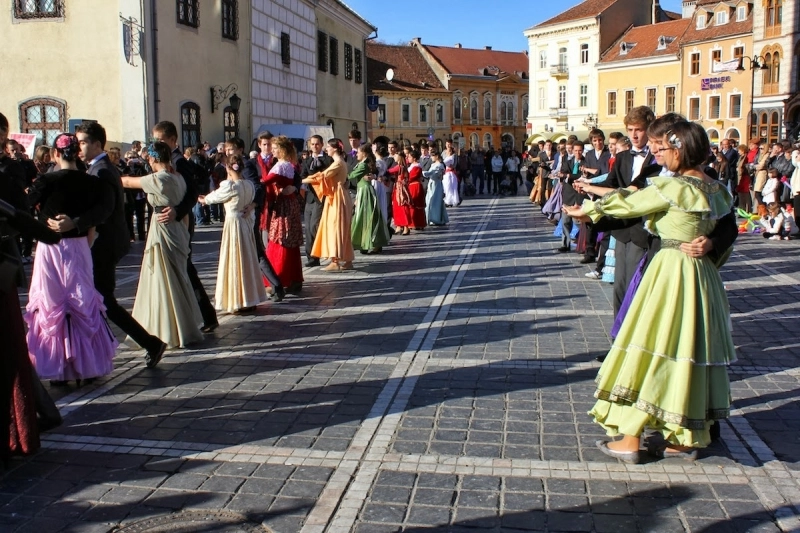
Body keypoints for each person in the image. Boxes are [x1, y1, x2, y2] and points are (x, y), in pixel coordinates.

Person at [564, 120, 735, 462]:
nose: (659, 155)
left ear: (679, 149)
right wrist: (709, 243)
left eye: (663, 149)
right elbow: (724, 226)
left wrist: (587, 211)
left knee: (647, 344)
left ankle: (630, 438)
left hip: (670, 271)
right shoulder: (717, 191)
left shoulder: (673, 188)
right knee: (687, 349)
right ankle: (683, 436)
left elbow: (629, 204)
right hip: (701, 278)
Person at [47, 122, 167, 367]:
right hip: (105, 242)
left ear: (97, 144)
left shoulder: (101, 170)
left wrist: (75, 223)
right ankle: (106, 350)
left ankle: (146, 344)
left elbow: (104, 209)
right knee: (99, 300)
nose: (78, 147)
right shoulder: (96, 168)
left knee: (103, 300)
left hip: (105, 244)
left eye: (82, 142)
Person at [25, 133, 118, 385]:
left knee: (53, 304)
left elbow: (23, 207)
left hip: (50, 248)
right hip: (79, 247)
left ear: (55, 154)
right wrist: (77, 223)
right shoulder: (92, 183)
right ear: (77, 152)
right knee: (81, 301)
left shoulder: (45, 181)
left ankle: (58, 365)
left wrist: (41, 223)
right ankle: (86, 364)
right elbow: (104, 211)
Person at [120, 143, 203, 348]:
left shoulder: (159, 178)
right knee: (177, 276)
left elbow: (129, 182)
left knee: (164, 278)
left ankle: (169, 328)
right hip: (177, 229)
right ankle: (183, 325)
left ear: (153, 158)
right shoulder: (179, 177)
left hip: (163, 229)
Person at [151, 121, 218, 332]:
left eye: (161, 140)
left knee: (185, 268)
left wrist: (178, 211)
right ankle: (194, 315)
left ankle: (205, 315)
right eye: (155, 140)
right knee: (181, 269)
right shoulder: (165, 161)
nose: (157, 144)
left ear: (172, 140)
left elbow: (190, 194)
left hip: (180, 222)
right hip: (169, 222)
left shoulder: (179, 162)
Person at [199, 154, 267, 313]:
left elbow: (214, 197)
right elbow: (251, 205)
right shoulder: (249, 185)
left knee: (234, 260)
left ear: (228, 168)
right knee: (247, 260)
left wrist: (203, 200)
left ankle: (237, 300)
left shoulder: (230, 186)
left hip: (233, 225)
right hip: (244, 223)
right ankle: (250, 298)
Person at [238, 134, 286, 301]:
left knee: (261, 249)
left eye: (270, 145)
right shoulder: (251, 163)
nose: (267, 148)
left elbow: (257, 186)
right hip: (258, 209)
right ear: (259, 145)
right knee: (258, 249)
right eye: (265, 144)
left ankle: (275, 285)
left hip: (270, 207)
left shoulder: (277, 162)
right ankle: (267, 285)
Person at [302, 139, 355, 271]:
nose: (326, 149)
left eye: (328, 147)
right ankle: (347, 260)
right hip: (339, 195)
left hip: (336, 196)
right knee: (342, 228)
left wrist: (302, 180)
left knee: (335, 228)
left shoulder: (337, 163)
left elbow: (321, 176)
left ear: (335, 149)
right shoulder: (340, 162)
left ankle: (335, 260)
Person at [261, 136, 304, 291]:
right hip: (289, 203)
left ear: (282, 149)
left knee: (280, 239)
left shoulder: (281, 166)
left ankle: (280, 277)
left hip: (283, 205)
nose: (272, 150)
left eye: (275, 148)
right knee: (288, 239)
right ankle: (294, 278)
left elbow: (266, 181)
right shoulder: (289, 165)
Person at [349, 145, 390, 254]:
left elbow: (351, 175)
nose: (356, 154)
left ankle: (369, 243)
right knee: (363, 216)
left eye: (358, 152)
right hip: (362, 191)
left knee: (367, 216)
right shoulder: (362, 164)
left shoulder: (363, 165)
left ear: (364, 154)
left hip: (365, 192)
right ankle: (365, 242)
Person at [300, 135, 332, 267]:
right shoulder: (307, 160)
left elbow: (327, 175)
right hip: (310, 197)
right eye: (312, 144)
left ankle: (319, 251)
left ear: (322, 144)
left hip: (321, 197)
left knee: (314, 226)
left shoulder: (327, 159)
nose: (314, 146)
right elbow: (302, 175)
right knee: (307, 228)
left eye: (317, 144)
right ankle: (311, 258)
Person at [424, 148, 448, 226]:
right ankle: (431, 217)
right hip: (432, 184)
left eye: (432, 156)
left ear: (437, 156)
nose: (431, 157)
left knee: (435, 201)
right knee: (429, 201)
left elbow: (434, 174)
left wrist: (424, 173)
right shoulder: (433, 164)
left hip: (436, 185)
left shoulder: (440, 165)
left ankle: (436, 218)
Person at [406, 149, 428, 230]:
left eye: (410, 157)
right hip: (411, 186)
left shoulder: (417, 167)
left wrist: (405, 178)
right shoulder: (411, 166)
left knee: (416, 204)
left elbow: (412, 177)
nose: (408, 158)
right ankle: (412, 222)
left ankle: (418, 223)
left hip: (415, 186)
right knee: (412, 204)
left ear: (414, 158)